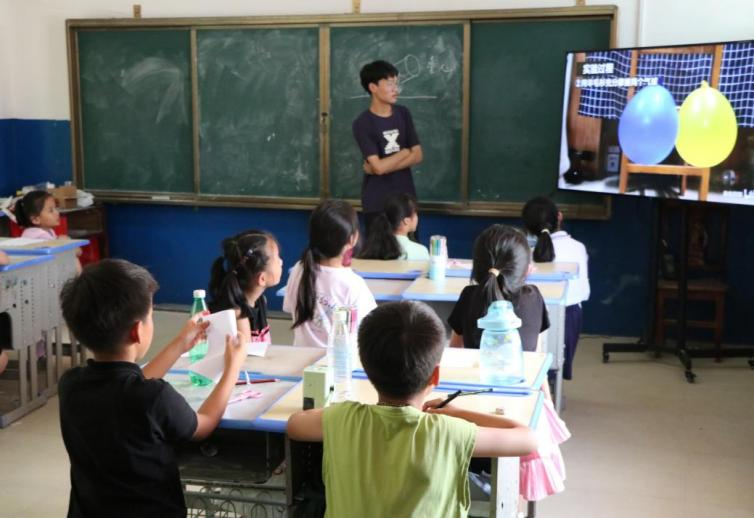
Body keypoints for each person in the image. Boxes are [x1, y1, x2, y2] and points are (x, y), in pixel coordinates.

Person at [287, 301, 537, 517]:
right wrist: (460, 413)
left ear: (365, 367)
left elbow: (296, 423)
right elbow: (527, 439)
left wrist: (349, 410)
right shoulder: (451, 431)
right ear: (435, 376)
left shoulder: (343, 419)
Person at [58, 259, 247, 517]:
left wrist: (180, 344)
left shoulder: (70, 385)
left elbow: (127, 384)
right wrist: (232, 367)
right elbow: (203, 425)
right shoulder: (155, 396)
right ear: (137, 331)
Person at [283, 200, 376, 347]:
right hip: (339, 360)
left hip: (300, 358)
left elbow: (288, 307)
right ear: (352, 239)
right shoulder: (353, 285)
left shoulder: (298, 269)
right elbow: (370, 329)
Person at [448, 224, 549, 352]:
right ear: (526, 269)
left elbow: (454, 350)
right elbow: (536, 352)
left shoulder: (469, 296)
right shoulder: (533, 297)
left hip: (477, 366)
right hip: (524, 366)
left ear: (476, 266)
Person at [522, 196, 590, 380]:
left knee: (534, 364)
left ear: (528, 227)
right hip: (570, 315)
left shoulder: (525, 253)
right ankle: (553, 388)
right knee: (556, 365)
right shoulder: (578, 247)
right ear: (559, 216)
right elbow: (583, 292)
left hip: (532, 316)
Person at [352, 60, 423, 235]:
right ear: (373, 87)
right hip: (377, 203)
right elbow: (378, 167)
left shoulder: (403, 113)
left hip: (406, 202)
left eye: (396, 83)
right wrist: (404, 152)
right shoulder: (362, 123)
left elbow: (418, 155)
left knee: (410, 250)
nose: (395, 89)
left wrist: (382, 167)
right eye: (390, 84)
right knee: (380, 252)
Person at [208, 230, 283, 345]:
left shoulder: (260, 301)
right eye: (277, 259)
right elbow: (245, 355)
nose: (281, 262)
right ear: (262, 279)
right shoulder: (239, 317)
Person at [13, 190, 82, 272]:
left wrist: (66, 243)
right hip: (39, 272)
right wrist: (66, 242)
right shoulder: (39, 235)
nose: (57, 213)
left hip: (46, 270)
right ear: (35, 220)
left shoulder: (47, 230)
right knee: (73, 258)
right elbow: (76, 252)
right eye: (51, 210)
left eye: (56, 208)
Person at [357, 192, 429, 260]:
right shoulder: (420, 252)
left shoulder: (370, 251)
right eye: (415, 213)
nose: (417, 217)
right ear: (406, 221)